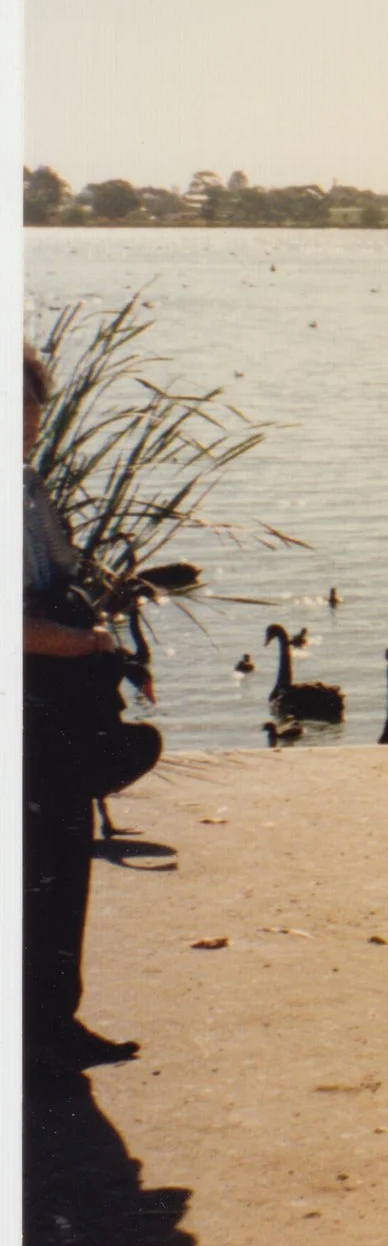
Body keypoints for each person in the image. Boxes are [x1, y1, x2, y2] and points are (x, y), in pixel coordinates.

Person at [22, 342, 144, 1076]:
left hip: (48, 702)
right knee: (39, 863)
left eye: (33, 414)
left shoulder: (26, 486)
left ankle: (52, 1020)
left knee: (62, 864)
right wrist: (83, 640)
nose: (33, 427)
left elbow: (60, 573)